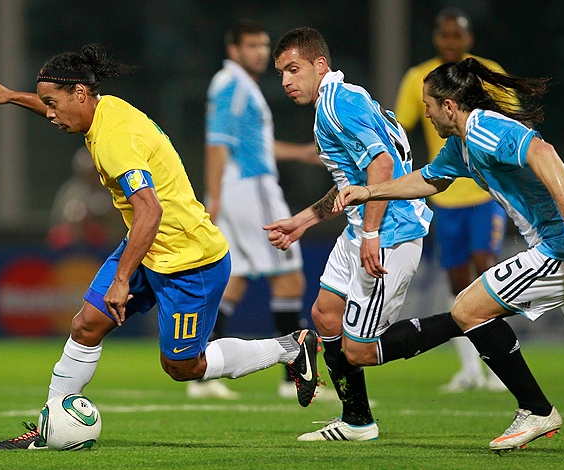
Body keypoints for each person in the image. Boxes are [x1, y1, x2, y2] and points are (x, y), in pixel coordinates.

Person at [0, 44, 320, 450]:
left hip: (189, 259)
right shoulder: (101, 109)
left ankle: (287, 348)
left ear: (80, 95)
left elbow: (150, 211)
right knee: (87, 324)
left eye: (52, 103)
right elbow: (62, 107)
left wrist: (122, 280)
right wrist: (12, 96)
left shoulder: (114, 139)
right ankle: (50, 424)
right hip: (148, 246)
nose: (49, 112)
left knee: (183, 366)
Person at [334, 57, 564, 450]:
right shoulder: (460, 146)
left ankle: (535, 409)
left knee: (468, 308)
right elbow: (428, 180)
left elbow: (544, 152)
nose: (426, 115)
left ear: (449, 106)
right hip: (559, 244)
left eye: (429, 105)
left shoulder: (483, 129)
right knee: (469, 308)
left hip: (562, 247)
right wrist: (369, 191)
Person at [265, 27, 433, 441]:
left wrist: (372, 233)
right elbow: (351, 184)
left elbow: (382, 166)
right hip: (363, 229)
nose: (286, 80)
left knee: (360, 348)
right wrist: (303, 221)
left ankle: (467, 321)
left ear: (319, 65)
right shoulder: (337, 101)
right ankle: (357, 421)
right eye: (281, 72)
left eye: (293, 69)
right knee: (324, 315)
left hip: (389, 233)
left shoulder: (338, 104)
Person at [198, 19, 321, 400]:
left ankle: (201, 366)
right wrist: (213, 199)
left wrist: (300, 153)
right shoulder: (231, 85)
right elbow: (217, 145)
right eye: (251, 45)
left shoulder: (240, 85)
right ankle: (292, 377)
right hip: (250, 189)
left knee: (235, 278)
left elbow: (250, 143)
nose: (259, 53)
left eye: (263, 45)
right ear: (233, 49)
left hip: (241, 188)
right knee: (289, 279)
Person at [394, 7, 509, 392]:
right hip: (445, 197)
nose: (450, 43)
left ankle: (498, 365)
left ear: (468, 40)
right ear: (436, 39)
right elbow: (400, 128)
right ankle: (470, 369)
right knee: (458, 281)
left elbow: (512, 121)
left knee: (486, 268)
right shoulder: (418, 78)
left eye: (456, 36)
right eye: (444, 36)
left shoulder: (487, 73)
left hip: (485, 192)